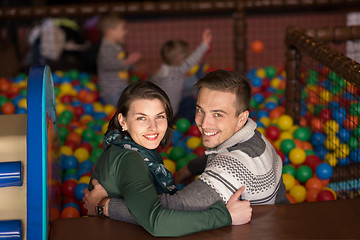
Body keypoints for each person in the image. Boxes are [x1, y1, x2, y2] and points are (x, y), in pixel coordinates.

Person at [84, 80, 252, 237]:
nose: (153, 127)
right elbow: (156, 222)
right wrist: (226, 216)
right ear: (123, 121)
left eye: (160, 116)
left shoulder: (126, 144)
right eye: (141, 118)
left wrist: (104, 206)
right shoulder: (131, 159)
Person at [150, 28, 211, 116]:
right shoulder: (177, 71)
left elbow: (152, 83)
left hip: (162, 110)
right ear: (181, 60)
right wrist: (204, 44)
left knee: (190, 100)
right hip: (169, 112)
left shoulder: (162, 71)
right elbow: (192, 60)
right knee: (193, 106)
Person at [97, 12, 142, 106]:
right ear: (111, 31)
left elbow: (122, 63)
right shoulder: (106, 47)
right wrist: (127, 61)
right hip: (112, 91)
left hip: (120, 87)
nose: (126, 32)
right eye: (123, 28)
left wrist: (131, 65)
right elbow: (107, 64)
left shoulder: (116, 46)